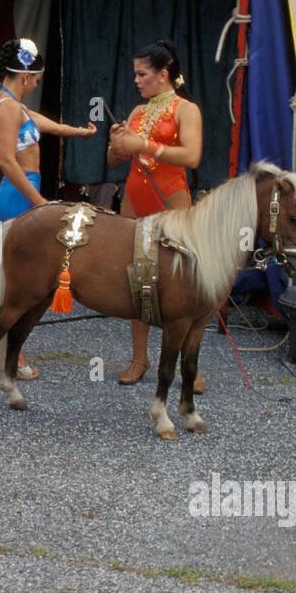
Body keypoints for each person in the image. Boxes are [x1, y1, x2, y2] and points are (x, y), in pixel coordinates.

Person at [0, 37, 97, 379]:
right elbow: (6, 161)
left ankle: (12, 350)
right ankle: (12, 354)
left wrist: (80, 132)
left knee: (21, 276)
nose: (36, 86)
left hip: (25, 191)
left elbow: (48, 125)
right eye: (36, 80)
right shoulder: (6, 108)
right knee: (20, 280)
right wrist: (39, 202)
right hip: (19, 194)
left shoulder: (14, 105)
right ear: (25, 76)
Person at [106, 39, 204, 387]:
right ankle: (139, 357)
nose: (136, 80)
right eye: (135, 74)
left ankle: (188, 363)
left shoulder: (185, 109)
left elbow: (192, 156)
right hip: (134, 199)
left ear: (163, 74)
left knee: (180, 281)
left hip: (171, 199)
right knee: (138, 277)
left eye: (142, 74)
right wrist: (117, 145)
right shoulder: (136, 113)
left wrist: (144, 144)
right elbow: (114, 161)